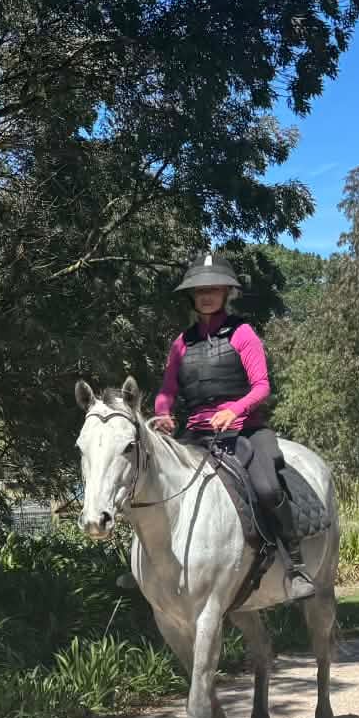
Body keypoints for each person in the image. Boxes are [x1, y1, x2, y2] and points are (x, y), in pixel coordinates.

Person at [151, 250, 314, 601]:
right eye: (199, 291)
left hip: (245, 430)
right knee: (152, 481)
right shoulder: (181, 344)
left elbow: (262, 386)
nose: (206, 295)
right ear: (192, 297)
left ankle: (296, 566)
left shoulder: (243, 334)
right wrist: (163, 412)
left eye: (213, 288)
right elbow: (167, 390)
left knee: (268, 488)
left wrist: (234, 410)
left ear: (226, 292)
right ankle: (148, 567)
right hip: (195, 434)